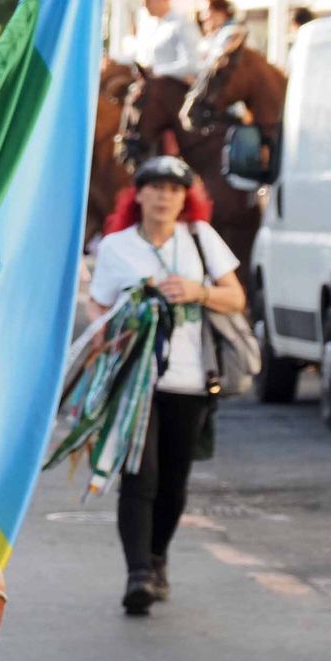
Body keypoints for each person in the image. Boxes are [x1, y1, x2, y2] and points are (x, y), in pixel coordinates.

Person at [87, 156, 245, 615]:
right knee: (140, 475)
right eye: (154, 187)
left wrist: (199, 292)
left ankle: (156, 557)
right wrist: (113, 330)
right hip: (135, 381)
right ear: (137, 195)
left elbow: (235, 298)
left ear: (186, 198)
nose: (164, 196)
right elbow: (97, 306)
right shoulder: (116, 247)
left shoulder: (200, 240)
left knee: (174, 482)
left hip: (191, 379)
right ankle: (137, 573)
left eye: (174, 189)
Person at [135, 0, 202, 87]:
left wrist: (156, 70)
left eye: (148, 1)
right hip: (153, 86)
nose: (145, 6)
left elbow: (191, 64)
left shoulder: (182, 24)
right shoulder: (151, 26)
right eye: (143, 2)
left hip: (174, 90)